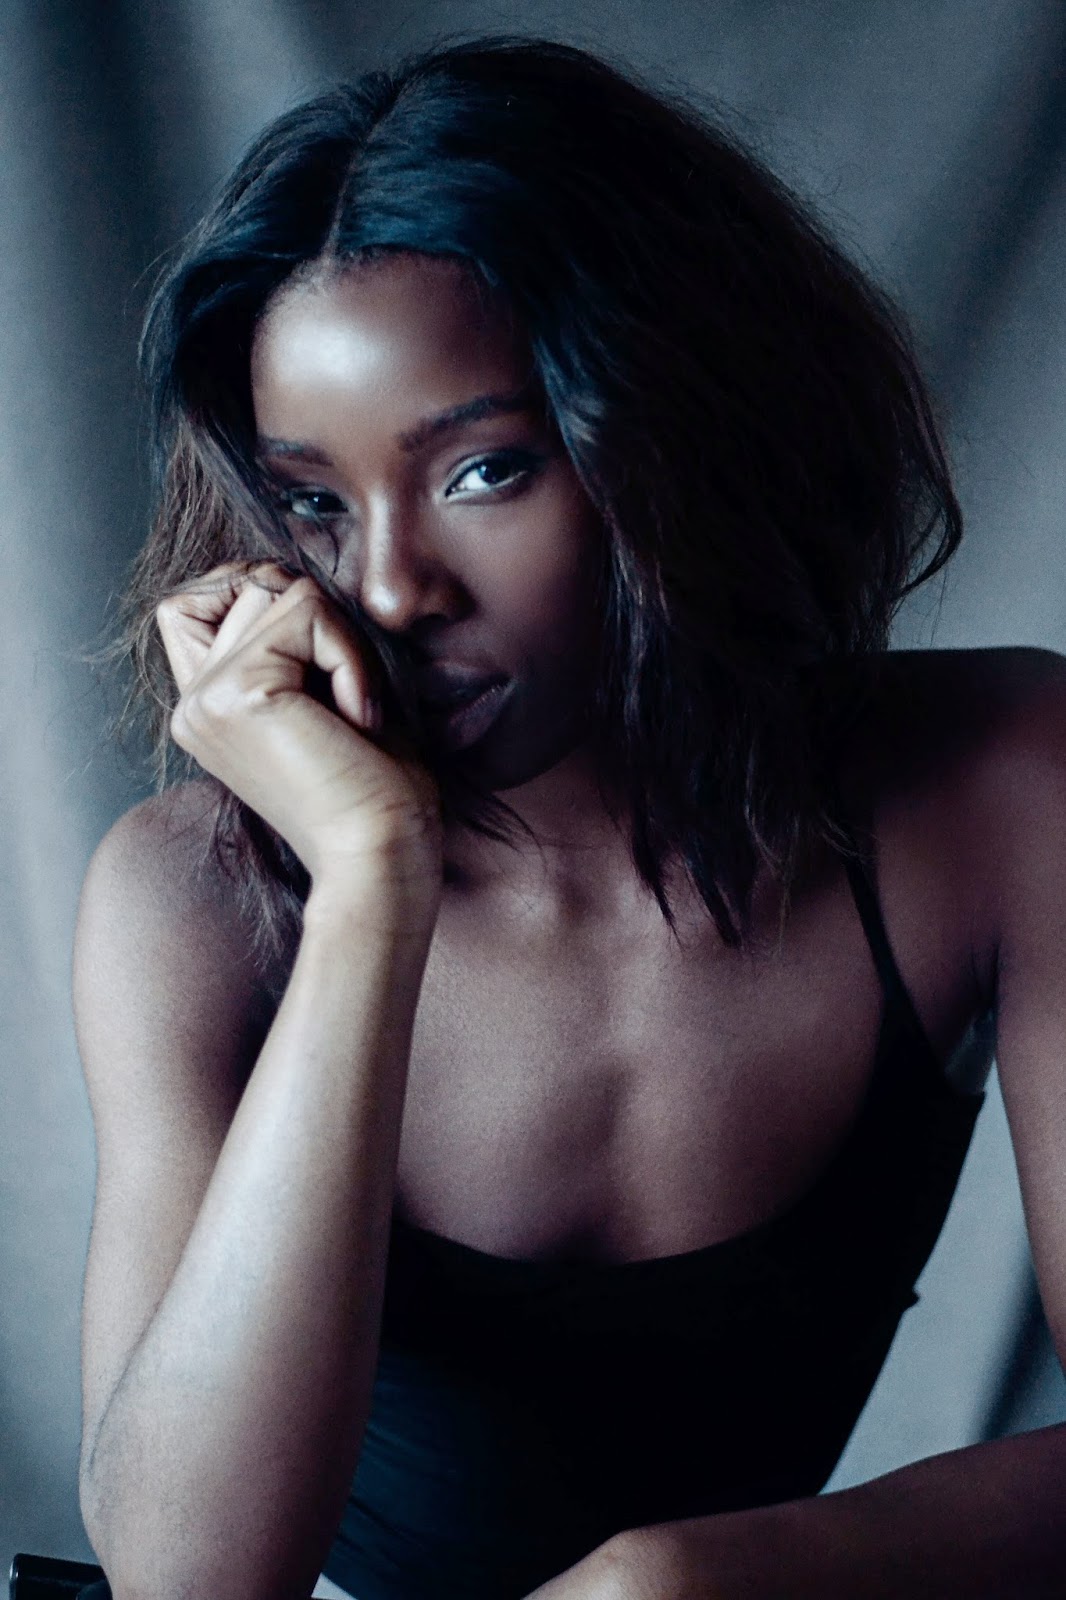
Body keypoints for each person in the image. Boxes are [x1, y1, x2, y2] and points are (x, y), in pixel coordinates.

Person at [72, 34, 1066, 1600]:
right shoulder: (195, 896)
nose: (389, 587)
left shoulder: (999, 784)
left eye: (482, 472)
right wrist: (371, 884)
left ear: (687, 431)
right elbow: (185, 1581)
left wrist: (680, 1580)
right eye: (315, 501)